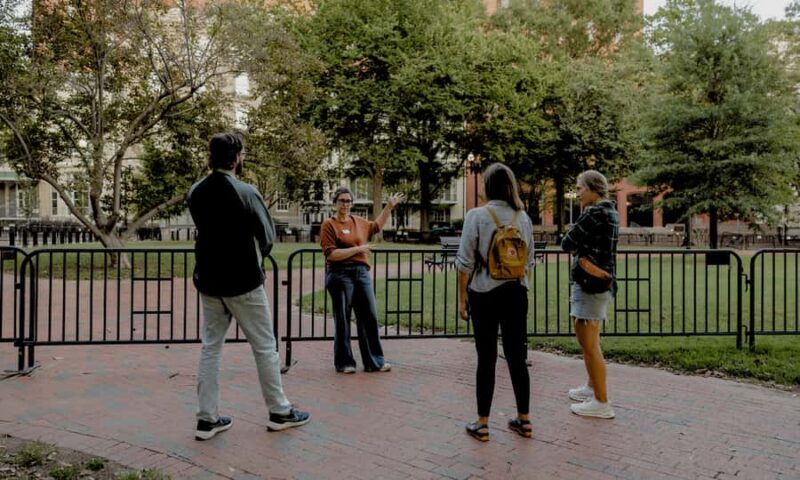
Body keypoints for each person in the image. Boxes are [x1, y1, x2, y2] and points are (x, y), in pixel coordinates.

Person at [188, 132, 310, 440]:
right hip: (243, 280)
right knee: (265, 347)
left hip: (209, 280)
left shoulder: (196, 191)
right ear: (237, 157)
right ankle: (279, 411)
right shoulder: (245, 191)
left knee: (211, 348)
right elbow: (267, 236)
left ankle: (207, 418)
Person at [455, 162, 535, 442]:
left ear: (488, 186)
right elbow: (530, 261)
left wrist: (462, 299)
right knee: (517, 358)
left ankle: (483, 423)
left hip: (484, 293)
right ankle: (524, 420)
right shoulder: (522, 217)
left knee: (486, 358)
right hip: (515, 292)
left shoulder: (476, 216)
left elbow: (464, 262)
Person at [320, 187, 404, 373]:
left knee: (369, 316)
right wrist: (358, 250)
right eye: (342, 200)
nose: (346, 204)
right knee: (343, 318)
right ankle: (345, 363)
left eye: (348, 201)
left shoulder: (358, 222)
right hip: (340, 274)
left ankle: (375, 362)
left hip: (361, 273)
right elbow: (331, 254)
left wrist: (389, 207)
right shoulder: (328, 224)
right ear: (335, 203)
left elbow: (376, 226)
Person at [561, 170, 619, 419]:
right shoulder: (611, 211)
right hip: (600, 283)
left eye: (581, 188)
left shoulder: (595, 213)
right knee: (589, 339)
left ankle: (601, 402)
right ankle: (591, 387)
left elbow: (567, 242)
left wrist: (578, 244)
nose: (578, 193)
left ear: (594, 188)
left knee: (589, 343)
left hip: (590, 284)